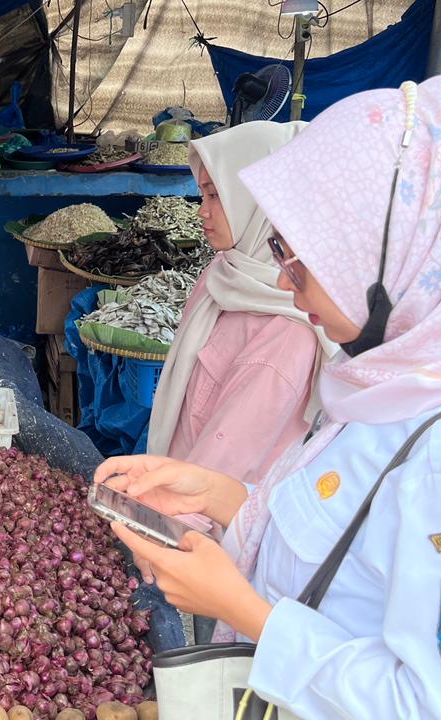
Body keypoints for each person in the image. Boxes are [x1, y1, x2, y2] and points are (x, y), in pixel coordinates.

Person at [96, 73, 441, 718]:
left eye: (306, 255)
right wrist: (221, 497)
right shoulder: (393, 382)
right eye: (280, 248)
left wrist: (243, 611)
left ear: (411, 254)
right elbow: (352, 543)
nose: (286, 283)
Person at [145, 120, 335, 491]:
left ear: (259, 203)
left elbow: (218, 472)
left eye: (215, 196)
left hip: (205, 526)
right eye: (203, 195)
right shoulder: (225, 274)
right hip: (176, 484)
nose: (202, 211)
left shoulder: (286, 332)